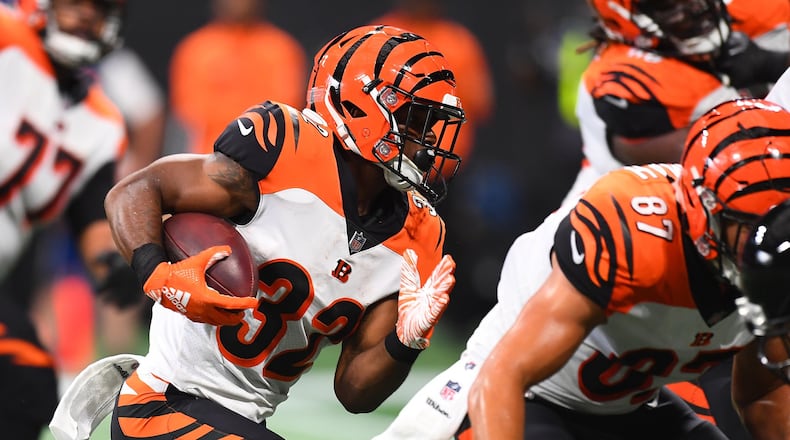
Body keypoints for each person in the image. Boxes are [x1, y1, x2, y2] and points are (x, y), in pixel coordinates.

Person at [54, 24, 465, 439]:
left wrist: (406, 341)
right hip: (163, 403)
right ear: (363, 109)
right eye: (417, 119)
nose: (429, 139)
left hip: (238, 423)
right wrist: (158, 275)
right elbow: (136, 190)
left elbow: (354, 391)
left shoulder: (420, 235)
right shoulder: (288, 149)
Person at [467, 98, 790, 439]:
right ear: (705, 211)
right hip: (537, 394)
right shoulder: (634, 234)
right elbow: (503, 377)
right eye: (752, 225)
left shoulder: (775, 265)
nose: (768, 242)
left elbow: (762, 393)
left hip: (633, 406)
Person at [0, 0, 140, 437]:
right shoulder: (8, 37)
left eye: (98, 9)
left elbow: (90, 216)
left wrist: (122, 265)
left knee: (28, 383)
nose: (85, 15)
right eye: (74, 3)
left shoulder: (102, 123)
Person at [169, 0, 307, 155]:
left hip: (267, 158)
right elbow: (190, 111)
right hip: (207, 158)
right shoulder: (195, 49)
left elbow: (284, 110)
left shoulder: (281, 49)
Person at [372, 0, 493, 170]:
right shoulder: (378, 35)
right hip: (387, 161)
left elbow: (481, 103)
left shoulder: (459, 42)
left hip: (445, 168)